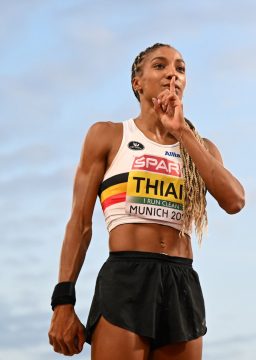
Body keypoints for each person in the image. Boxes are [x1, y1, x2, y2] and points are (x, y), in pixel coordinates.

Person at [48, 43, 245, 360]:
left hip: (181, 281)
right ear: (137, 82)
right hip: (127, 278)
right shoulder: (108, 136)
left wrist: (182, 132)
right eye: (160, 66)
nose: (172, 73)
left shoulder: (200, 146)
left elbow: (234, 201)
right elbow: (80, 223)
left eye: (180, 69)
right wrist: (63, 300)